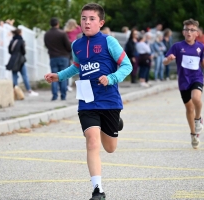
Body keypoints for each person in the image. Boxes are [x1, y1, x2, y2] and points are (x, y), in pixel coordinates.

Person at [44, 3, 132, 199]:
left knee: (110, 148)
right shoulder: (77, 44)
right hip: (87, 101)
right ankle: (97, 190)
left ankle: (115, 123)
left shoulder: (109, 42)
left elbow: (127, 66)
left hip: (109, 100)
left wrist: (111, 78)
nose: (87, 22)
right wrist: (58, 76)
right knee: (92, 142)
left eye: (92, 19)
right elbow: (77, 67)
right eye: (84, 18)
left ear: (101, 22)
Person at [163, 19, 204, 149]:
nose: (189, 32)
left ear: (197, 33)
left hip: (196, 77)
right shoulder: (177, 46)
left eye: (192, 30)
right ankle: (193, 135)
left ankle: (198, 119)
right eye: (186, 29)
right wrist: (168, 60)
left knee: (196, 98)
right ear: (183, 32)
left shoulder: (200, 47)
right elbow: (164, 61)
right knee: (189, 108)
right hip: (183, 81)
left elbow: (202, 60)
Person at [44, 17, 71, 101]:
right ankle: (63, 95)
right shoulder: (62, 33)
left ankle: (54, 95)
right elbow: (68, 46)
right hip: (63, 57)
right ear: (58, 24)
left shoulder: (47, 34)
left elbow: (46, 45)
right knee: (63, 75)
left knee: (53, 76)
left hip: (53, 57)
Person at [6, 28, 38, 96]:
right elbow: (23, 52)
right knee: (25, 76)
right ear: (20, 33)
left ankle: (15, 92)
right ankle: (29, 90)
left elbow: (9, 51)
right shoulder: (21, 41)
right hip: (20, 60)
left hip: (13, 60)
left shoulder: (12, 40)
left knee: (14, 76)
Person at [64, 19, 83, 92]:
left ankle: (66, 84)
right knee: (77, 64)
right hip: (75, 47)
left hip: (68, 47)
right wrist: (76, 25)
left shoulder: (66, 31)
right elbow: (81, 29)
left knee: (68, 66)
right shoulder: (76, 29)